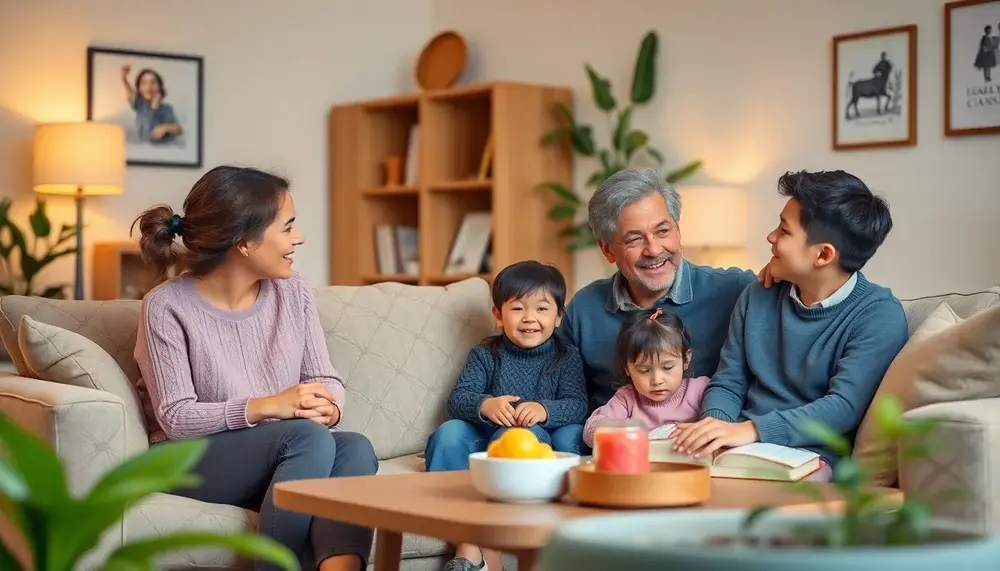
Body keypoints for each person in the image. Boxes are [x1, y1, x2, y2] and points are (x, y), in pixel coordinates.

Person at [132, 165, 377, 571]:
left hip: (278, 448)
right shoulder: (165, 306)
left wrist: (329, 405)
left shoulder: (292, 291)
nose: (298, 238)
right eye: (288, 227)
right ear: (244, 242)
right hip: (187, 459)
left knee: (354, 446)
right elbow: (175, 418)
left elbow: (323, 376)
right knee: (307, 438)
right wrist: (267, 406)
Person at [669, 169, 909, 480]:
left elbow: (842, 406)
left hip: (808, 458)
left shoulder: (877, 316)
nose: (771, 237)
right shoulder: (759, 295)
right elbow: (729, 381)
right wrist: (714, 428)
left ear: (823, 254)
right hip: (739, 446)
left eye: (784, 230)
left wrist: (752, 430)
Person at [424, 260, 588, 571]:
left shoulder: (567, 358)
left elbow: (579, 404)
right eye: (517, 309)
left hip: (535, 444)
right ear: (498, 315)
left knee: (519, 439)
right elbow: (457, 400)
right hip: (485, 441)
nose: (529, 319)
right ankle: (467, 539)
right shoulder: (485, 355)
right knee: (449, 433)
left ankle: (483, 554)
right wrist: (485, 405)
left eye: (541, 309)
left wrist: (544, 409)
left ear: (558, 316)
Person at [560, 168, 757, 416]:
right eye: (634, 239)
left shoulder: (735, 290)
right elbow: (564, 397)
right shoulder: (584, 310)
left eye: (663, 231)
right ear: (607, 250)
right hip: (615, 447)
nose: (653, 250)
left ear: (678, 231)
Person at [582, 307, 709, 448]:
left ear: (686, 360)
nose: (657, 380)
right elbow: (590, 432)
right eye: (644, 370)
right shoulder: (626, 398)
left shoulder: (700, 390)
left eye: (667, 368)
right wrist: (614, 430)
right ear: (627, 369)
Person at [121, 64, 183, 143]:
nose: (148, 87)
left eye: (153, 82)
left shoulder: (166, 108)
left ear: (159, 87)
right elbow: (130, 93)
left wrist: (165, 127)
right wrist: (124, 78)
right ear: (139, 88)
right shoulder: (140, 105)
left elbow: (178, 129)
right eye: (144, 83)